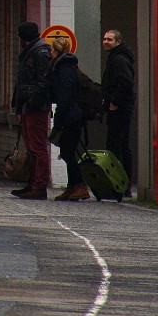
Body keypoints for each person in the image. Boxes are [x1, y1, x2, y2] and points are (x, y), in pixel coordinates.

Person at [11, 21, 53, 198]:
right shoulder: (32, 51)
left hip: (35, 107)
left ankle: (39, 185)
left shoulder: (40, 52)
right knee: (32, 147)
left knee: (38, 147)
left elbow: (44, 82)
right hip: (28, 106)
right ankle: (33, 183)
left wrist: (31, 102)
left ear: (24, 37)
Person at [49, 36, 90, 201]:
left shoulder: (64, 69)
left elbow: (64, 97)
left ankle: (79, 185)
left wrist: (58, 121)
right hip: (74, 115)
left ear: (56, 50)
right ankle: (72, 186)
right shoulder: (69, 66)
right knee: (68, 151)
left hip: (71, 117)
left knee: (67, 152)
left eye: (52, 49)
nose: (50, 53)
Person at [101, 28, 136, 188]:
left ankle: (119, 182)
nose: (106, 42)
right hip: (122, 107)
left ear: (118, 41)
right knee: (122, 145)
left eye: (109, 39)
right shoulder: (118, 58)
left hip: (119, 109)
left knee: (116, 145)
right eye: (105, 39)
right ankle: (123, 183)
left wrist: (114, 102)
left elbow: (125, 82)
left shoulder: (118, 60)